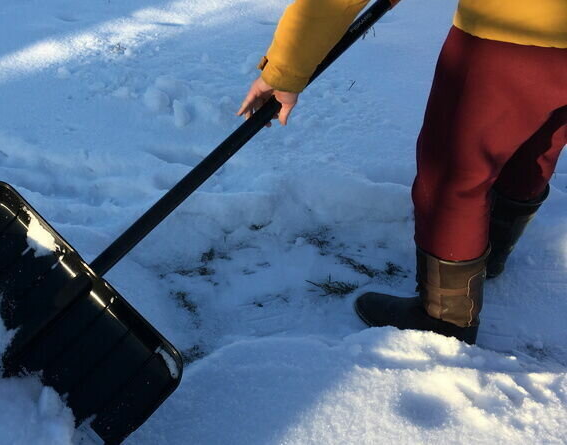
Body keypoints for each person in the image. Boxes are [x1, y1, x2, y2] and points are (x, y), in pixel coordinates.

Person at [238, 0, 567, 344]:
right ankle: (489, 256)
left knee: (454, 178)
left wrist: (284, 71)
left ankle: (446, 321)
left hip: (511, 38)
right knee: (537, 145)